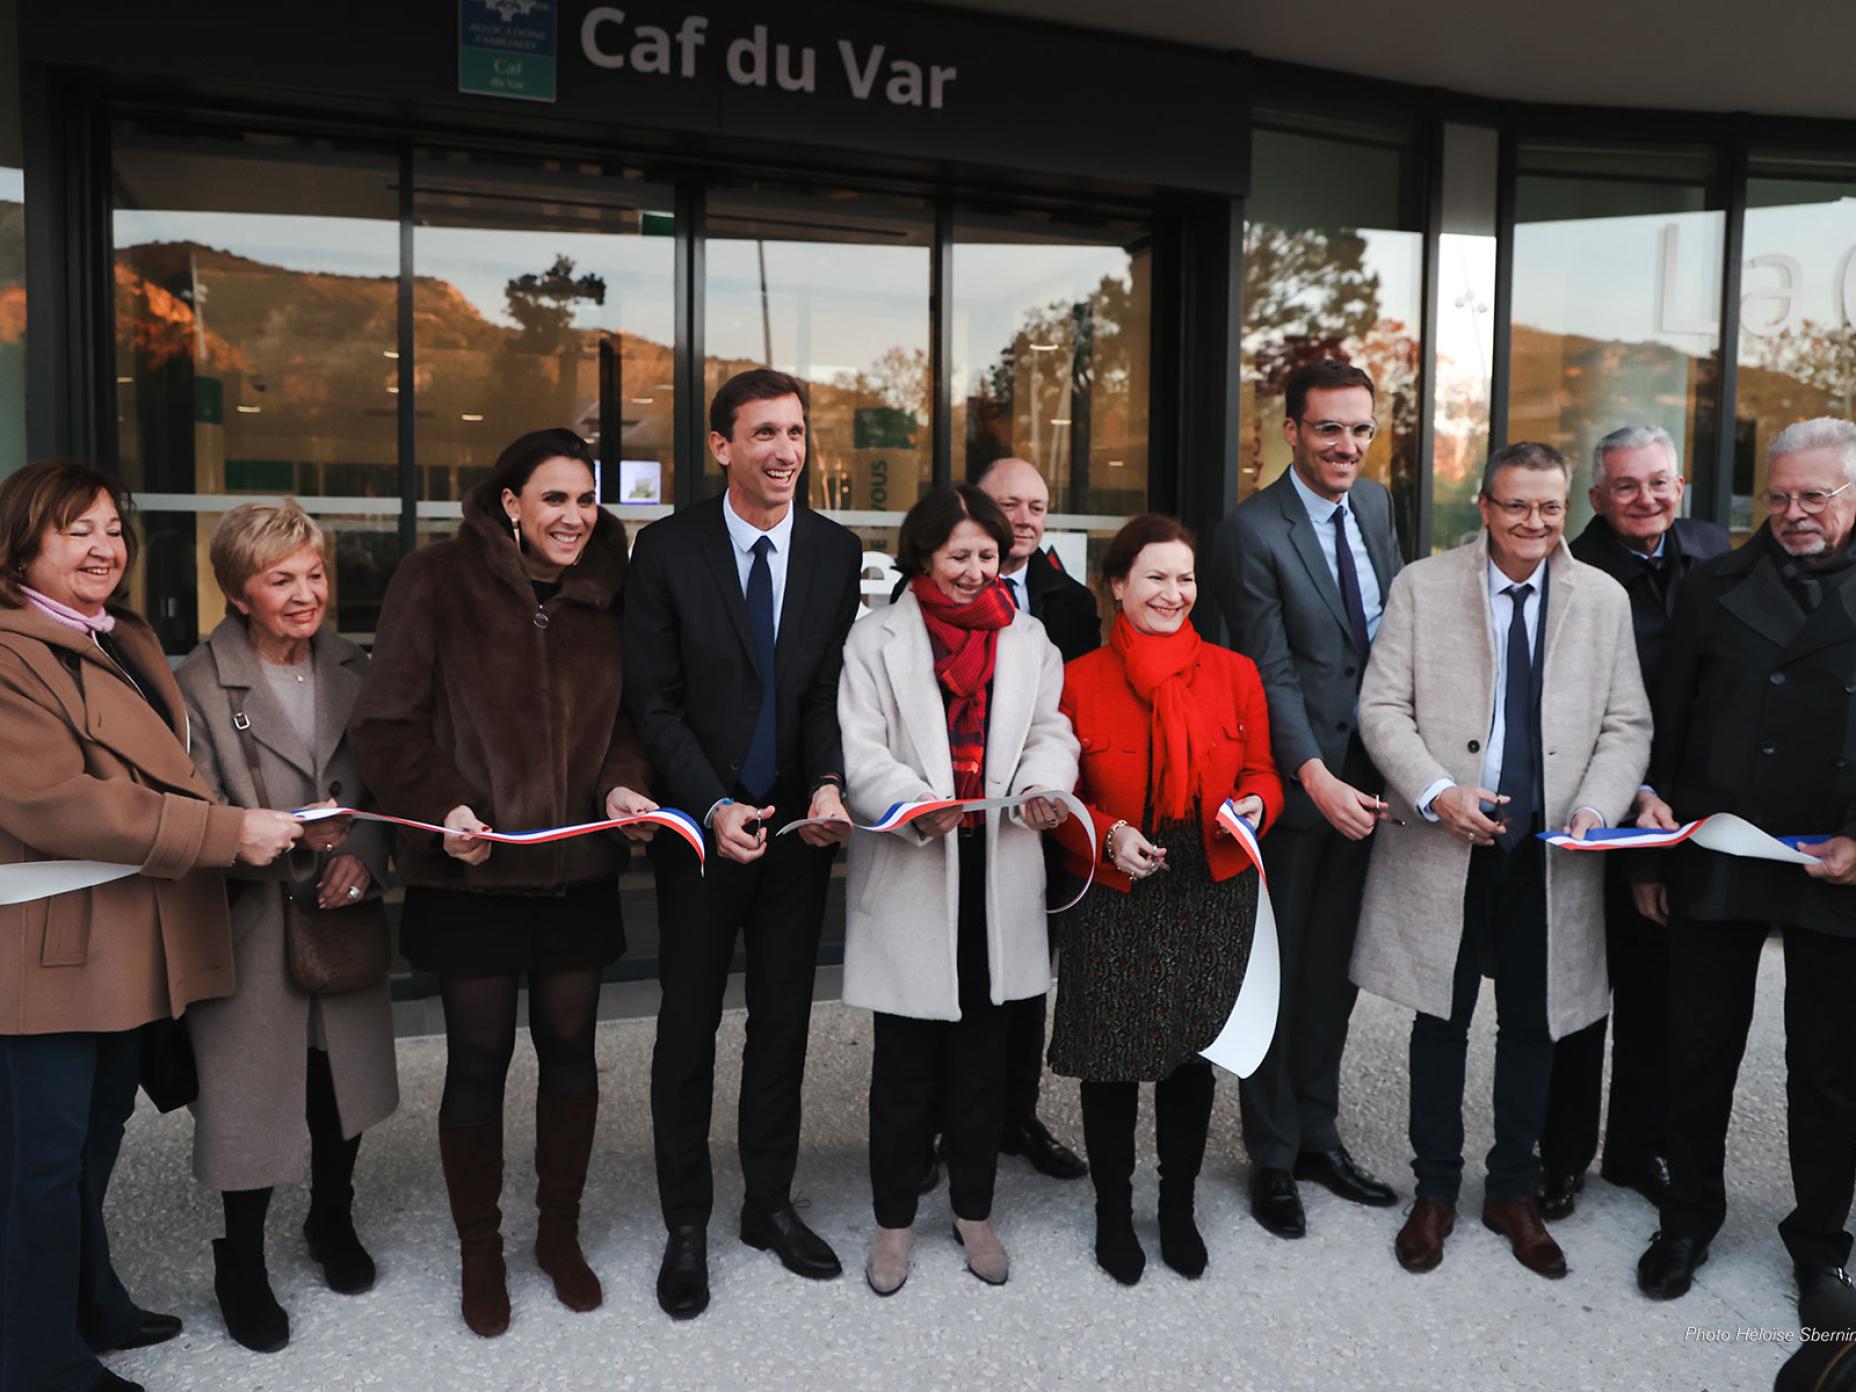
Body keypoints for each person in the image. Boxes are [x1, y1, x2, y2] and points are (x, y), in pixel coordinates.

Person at [0, 458, 302, 1392]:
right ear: (22, 543)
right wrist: (224, 832)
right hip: (49, 942)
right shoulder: (10, 649)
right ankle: (36, 1360)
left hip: (122, 931)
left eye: (113, 530)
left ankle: (90, 1304)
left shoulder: (114, 636)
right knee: (40, 1163)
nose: (104, 548)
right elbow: (57, 801)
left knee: (94, 1140)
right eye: (76, 530)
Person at [350, 428, 656, 1337]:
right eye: (552, 498)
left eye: (585, 498)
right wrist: (445, 808)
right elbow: (386, 725)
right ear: (509, 503)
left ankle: (557, 1238)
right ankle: (479, 1254)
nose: (573, 516)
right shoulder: (435, 579)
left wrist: (622, 783)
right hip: (469, 873)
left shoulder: (613, 591)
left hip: (577, 872)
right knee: (479, 1061)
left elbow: (633, 722)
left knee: (571, 1055)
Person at [1353, 441, 1650, 1278]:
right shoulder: (1423, 584)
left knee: (1534, 1024)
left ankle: (1512, 1189)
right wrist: (1437, 790)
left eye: (1550, 507)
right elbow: (1380, 707)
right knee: (1439, 1022)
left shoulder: (1602, 597)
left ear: (1568, 509)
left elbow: (1627, 723)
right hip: (1448, 838)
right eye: (1517, 506)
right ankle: (1435, 1191)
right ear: (1483, 506)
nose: (1534, 523)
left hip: (1552, 851)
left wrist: (1594, 806)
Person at [622, 369, 863, 1320]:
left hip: (798, 835)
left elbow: (824, 693)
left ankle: (767, 1205)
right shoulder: (668, 550)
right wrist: (714, 804)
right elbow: (655, 702)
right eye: (764, 432)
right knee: (686, 1031)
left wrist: (828, 786)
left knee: (784, 1029)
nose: (785, 451)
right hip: (698, 834)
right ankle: (688, 1221)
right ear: (722, 446)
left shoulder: (838, 552)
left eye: (796, 432)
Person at [1634, 418, 1856, 1317]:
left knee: (1832, 1068)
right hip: (1718, 846)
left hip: (1835, 862)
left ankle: (1819, 1246)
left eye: (1815, 497)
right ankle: (1687, 1218)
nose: (1792, 514)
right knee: (1696, 1048)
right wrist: (1646, 847)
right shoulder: (1712, 583)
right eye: (1778, 496)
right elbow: (1667, 720)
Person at [838, 483, 1079, 1295]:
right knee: (904, 1069)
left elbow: (1053, 729)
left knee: (983, 1062)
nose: (977, 571)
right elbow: (860, 748)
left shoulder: (1029, 639)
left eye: (986, 554)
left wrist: (1047, 782)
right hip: (915, 867)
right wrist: (913, 804)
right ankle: (894, 1224)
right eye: (959, 556)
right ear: (924, 556)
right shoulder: (876, 640)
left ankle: (975, 1211)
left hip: (999, 867)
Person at [176, 500, 400, 1352]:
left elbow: (384, 789)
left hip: (342, 914)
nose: (306, 595)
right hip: (250, 920)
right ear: (239, 591)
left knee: (335, 1086)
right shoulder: (195, 682)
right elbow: (188, 811)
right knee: (251, 1099)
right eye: (282, 581)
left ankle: (331, 1222)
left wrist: (367, 852)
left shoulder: (356, 665)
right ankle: (240, 1263)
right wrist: (275, 837)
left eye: (314, 575)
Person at [1049, 513, 1283, 1286]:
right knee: (1112, 1064)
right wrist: (1107, 835)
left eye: (1183, 578)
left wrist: (1253, 807)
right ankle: (1113, 1215)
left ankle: (1176, 1209)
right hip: (1119, 880)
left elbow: (1263, 774)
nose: (1172, 593)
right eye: (1154, 576)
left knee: (1190, 1059)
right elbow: (1060, 796)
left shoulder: (1233, 672)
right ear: (1117, 586)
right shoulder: (1076, 677)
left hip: (1209, 880)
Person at [1210, 358, 1403, 1239]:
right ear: (1290, 430)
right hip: (1296, 789)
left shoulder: (1377, 505)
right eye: (1330, 428)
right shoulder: (1251, 531)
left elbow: (1391, 641)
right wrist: (1313, 778)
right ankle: (1274, 1155)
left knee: (1336, 969)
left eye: (1360, 429)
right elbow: (1266, 672)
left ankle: (1319, 1132)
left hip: (1372, 781)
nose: (1348, 446)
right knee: (1280, 975)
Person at [1537, 426, 1728, 1220]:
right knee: (1576, 999)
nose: (1645, 498)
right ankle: (1562, 1158)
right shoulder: (1567, 573)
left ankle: (1633, 1147)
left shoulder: (1716, 552)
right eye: (1625, 486)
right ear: (1596, 498)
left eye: (1658, 483)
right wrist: (1632, 795)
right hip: (1591, 808)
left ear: (1681, 485)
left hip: (1685, 810)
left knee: (1660, 996)